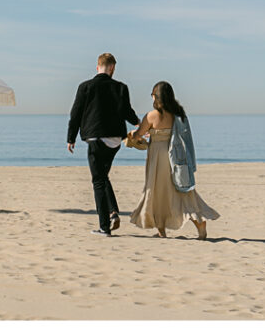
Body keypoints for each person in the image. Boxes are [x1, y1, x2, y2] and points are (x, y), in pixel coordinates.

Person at [129, 81, 219, 239]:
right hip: (176, 158)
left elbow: (138, 135)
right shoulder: (178, 115)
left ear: (156, 96)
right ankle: (198, 222)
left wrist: (132, 135)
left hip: (158, 158)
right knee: (182, 192)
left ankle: (161, 229)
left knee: (157, 192)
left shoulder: (152, 115)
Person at [66, 53, 140, 236]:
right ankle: (113, 212)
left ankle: (104, 227)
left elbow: (75, 113)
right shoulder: (121, 87)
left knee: (98, 180)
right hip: (115, 140)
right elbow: (127, 111)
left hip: (96, 138)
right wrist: (139, 123)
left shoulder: (85, 87)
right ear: (113, 68)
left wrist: (71, 138)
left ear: (97, 67)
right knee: (103, 176)